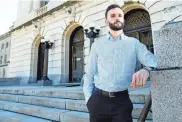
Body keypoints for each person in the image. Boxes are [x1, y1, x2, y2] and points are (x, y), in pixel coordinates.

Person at [83, 4, 157, 122]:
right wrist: (88, 100)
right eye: (112, 16)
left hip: (122, 102)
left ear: (123, 19)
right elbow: (89, 74)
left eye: (120, 15)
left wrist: (146, 70)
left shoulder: (134, 43)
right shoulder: (97, 45)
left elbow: (155, 62)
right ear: (106, 21)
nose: (117, 18)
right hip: (98, 101)